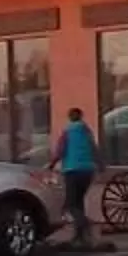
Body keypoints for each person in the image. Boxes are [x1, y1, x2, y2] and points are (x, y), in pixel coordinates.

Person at [55, 106, 100, 247]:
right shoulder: (87, 131)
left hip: (72, 170)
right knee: (79, 202)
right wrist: (100, 164)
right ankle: (79, 237)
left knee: (70, 204)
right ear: (81, 116)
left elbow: (60, 151)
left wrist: (51, 164)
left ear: (69, 117)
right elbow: (94, 148)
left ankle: (84, 224)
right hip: (87, 171)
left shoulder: (67, 132)